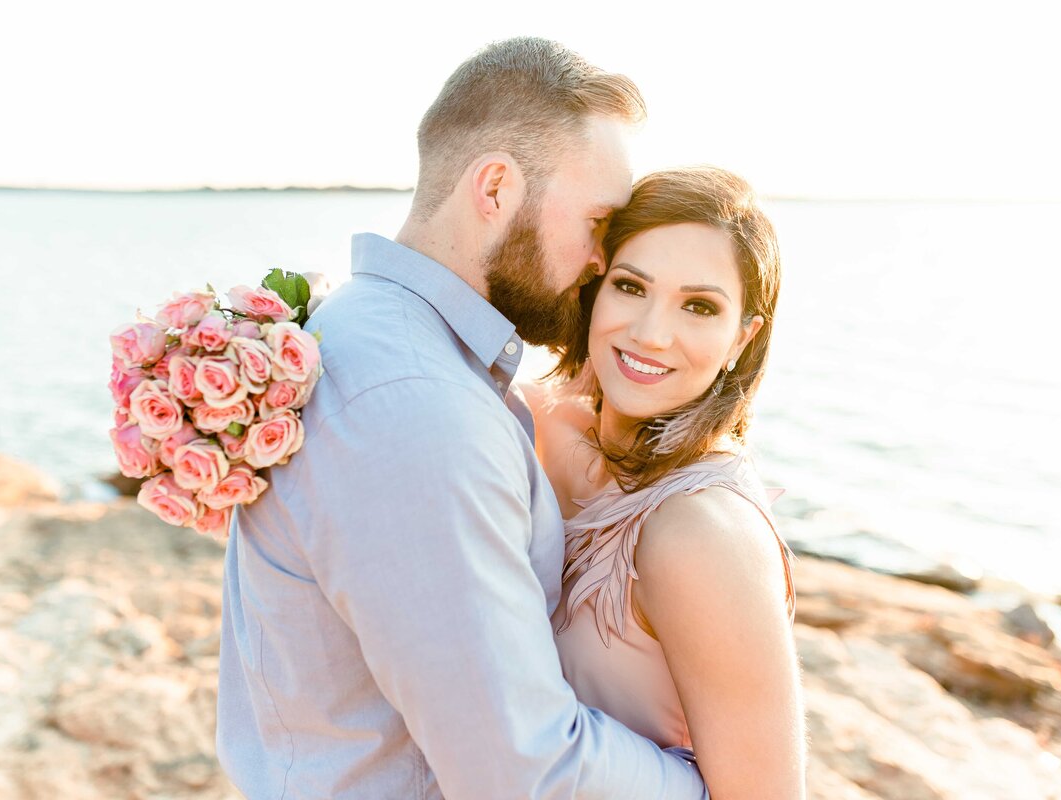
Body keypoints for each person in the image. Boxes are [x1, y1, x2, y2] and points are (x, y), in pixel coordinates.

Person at [216, 38, 709, 799]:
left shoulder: (369, 332)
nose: (599, 263)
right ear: (496, 189)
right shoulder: (416, 405)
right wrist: (706, 786)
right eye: (598, 222)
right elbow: (521, 770)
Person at [525, 167, 806, 798]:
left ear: (742, 339)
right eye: (630, 286)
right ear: (593, 288)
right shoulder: (542, 423)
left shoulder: (700, 532)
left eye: (699, 306)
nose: (651, 333)